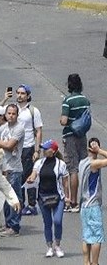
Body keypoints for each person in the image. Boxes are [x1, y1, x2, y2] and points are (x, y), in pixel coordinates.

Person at [3, 84, 42, 215]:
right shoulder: (12, 109)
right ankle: (20, 202)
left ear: (28, 95)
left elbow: (38, 131)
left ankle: (32, 204)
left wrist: (37, 150)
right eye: (18, 93)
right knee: (16, 175)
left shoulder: (33, 111)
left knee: (27, 175)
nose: (19, 95)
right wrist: (5, 99)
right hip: (14, 147)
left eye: (22, 93)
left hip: (27, 146)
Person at [27, 139, 68, 257]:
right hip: (42, 197)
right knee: (47, 222)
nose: (44, 151)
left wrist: (67, 197)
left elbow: (65, 182)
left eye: (46, 148)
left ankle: (57, 245)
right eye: (43, 148)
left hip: (58, 196)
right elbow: (34, 174)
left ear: (53, 151)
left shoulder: (61, 164)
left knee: (57, 221)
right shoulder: (39, 163)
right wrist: (31, 179)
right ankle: (49, 246)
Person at [62, 72, 91, 211]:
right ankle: (85, 197)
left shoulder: (68, 100)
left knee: (73, 168)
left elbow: (64, 120)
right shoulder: (85, 100)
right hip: (82, 135)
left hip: (70, 135)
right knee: (84, 166)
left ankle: (73, 202)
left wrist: (63, 120)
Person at [0, 102, 25, 236]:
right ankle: (8, 223)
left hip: (14, 168)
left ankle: (14, 226)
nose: (11, 116)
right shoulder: (2, 128)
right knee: (5, 197)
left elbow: (9, 145)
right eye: (9, 113)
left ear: (17, 115)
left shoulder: (19, 128)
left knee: (14, 197)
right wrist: (0, 143)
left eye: (14, 114)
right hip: (3, 167)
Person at [79, 137, 107, 265]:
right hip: (93, 204)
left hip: (84, 205)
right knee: (96, 237)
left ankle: (86, 262)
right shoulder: (94, 164)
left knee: (87, 236)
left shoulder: (82, 162)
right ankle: (95, 263)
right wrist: (100, 150)